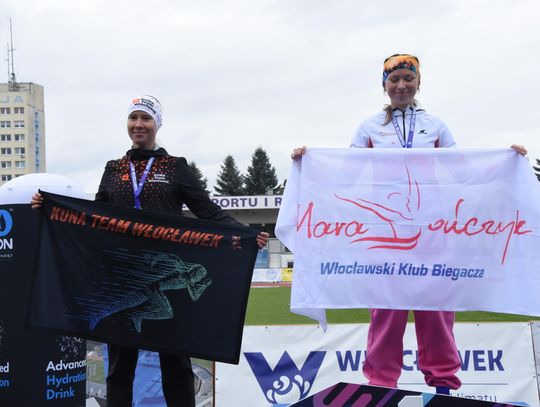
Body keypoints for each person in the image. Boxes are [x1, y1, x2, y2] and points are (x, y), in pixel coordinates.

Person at [291, 54, 527, 395]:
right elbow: (347, 174)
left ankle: (443, 386)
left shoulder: (436, 125)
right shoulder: (369, 127)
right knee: (386, 313)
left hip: (432, 232)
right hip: (385, 233)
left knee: (437, 313)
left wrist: (506, 161)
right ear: (384, 85)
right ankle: (381, 385)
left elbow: (462, 170)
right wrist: (308, 162)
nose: (401, 85)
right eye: (394, 80)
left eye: (408, 78)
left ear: (418, 82)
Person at [32, 95, 269, 407]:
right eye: (133, 118)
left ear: (157, 124)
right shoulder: (114, 168)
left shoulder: (175, 167)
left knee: (176, 367)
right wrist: (53, 209)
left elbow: (207, 210)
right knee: (119, 369)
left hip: (163, 272)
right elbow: (94, 217)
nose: (138, 124)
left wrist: (246, 234)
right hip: (124, 278)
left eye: (146, 118)